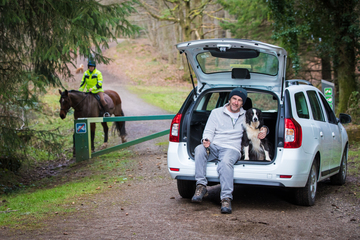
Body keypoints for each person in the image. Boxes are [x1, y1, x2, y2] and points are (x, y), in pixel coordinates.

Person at [191, 87, 267, 214]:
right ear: (230, 99)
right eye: (234, 99)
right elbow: (208, 130)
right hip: (215, 146)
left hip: (232, 149)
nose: (236, 102)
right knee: (199, 149)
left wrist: (265, 129)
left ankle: (226, 198)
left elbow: (259, 123)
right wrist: (206, 139)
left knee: (225, 162)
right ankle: (201, 186)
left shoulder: (245, 115)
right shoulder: (216, 113)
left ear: (242, 103)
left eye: (239, 100)